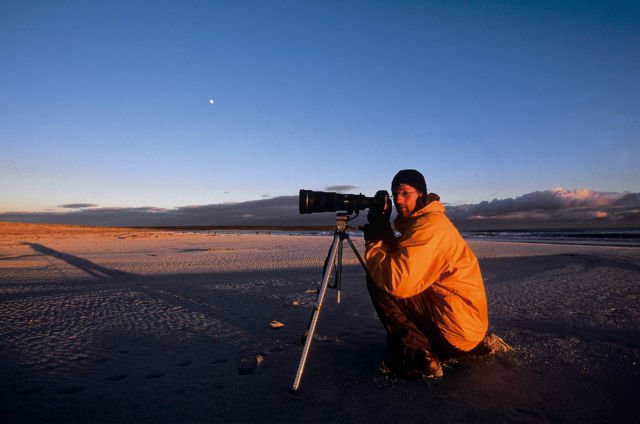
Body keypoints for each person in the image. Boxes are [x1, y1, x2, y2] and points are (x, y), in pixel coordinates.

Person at [362, 169, 508, 380]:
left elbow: (397, 282)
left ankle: (421, 360)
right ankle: (430, 345)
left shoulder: (430, 227)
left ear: (421, 194)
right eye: (395, 195)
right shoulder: (426, 222)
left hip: (458, 331)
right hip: (465, 326)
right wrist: (383, 231)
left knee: (379, 280)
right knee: (386, 277)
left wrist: (376, 240)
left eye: (405, 193)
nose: (399, 200)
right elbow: (407, 260)